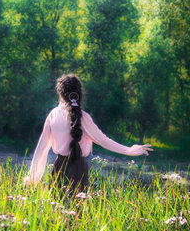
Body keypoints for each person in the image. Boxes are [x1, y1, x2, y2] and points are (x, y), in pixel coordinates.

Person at [24, 74, 153, 192]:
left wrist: (33, 177)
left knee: (57, 211)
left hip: (59, 167)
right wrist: (130, 150)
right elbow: (104, 141)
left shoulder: (53, 114)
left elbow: (41, 148)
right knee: (77, 213)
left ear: (60, 93)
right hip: (78, 168)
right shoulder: (83, 117)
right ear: (79, 93)